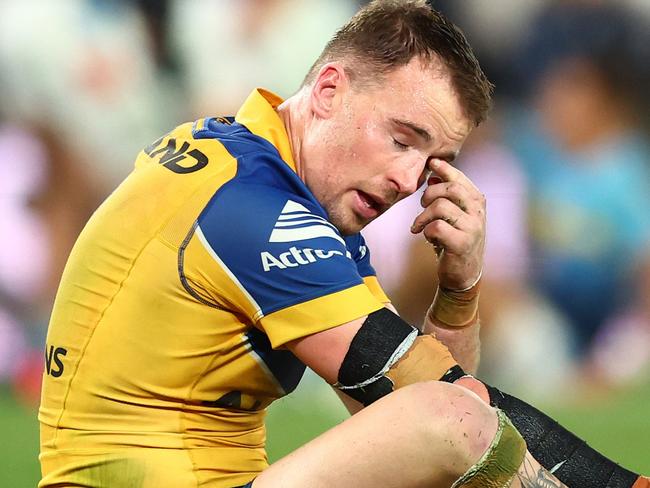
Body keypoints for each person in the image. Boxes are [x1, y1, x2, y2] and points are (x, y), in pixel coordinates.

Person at [38, 2, 649, 487]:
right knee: (447, 417)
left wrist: (458, 290)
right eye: (403, 139)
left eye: (435, 160)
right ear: (329, 90)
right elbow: (439, 406)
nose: (411, 183)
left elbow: (398, 417)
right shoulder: (253, 206)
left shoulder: (266, 176)